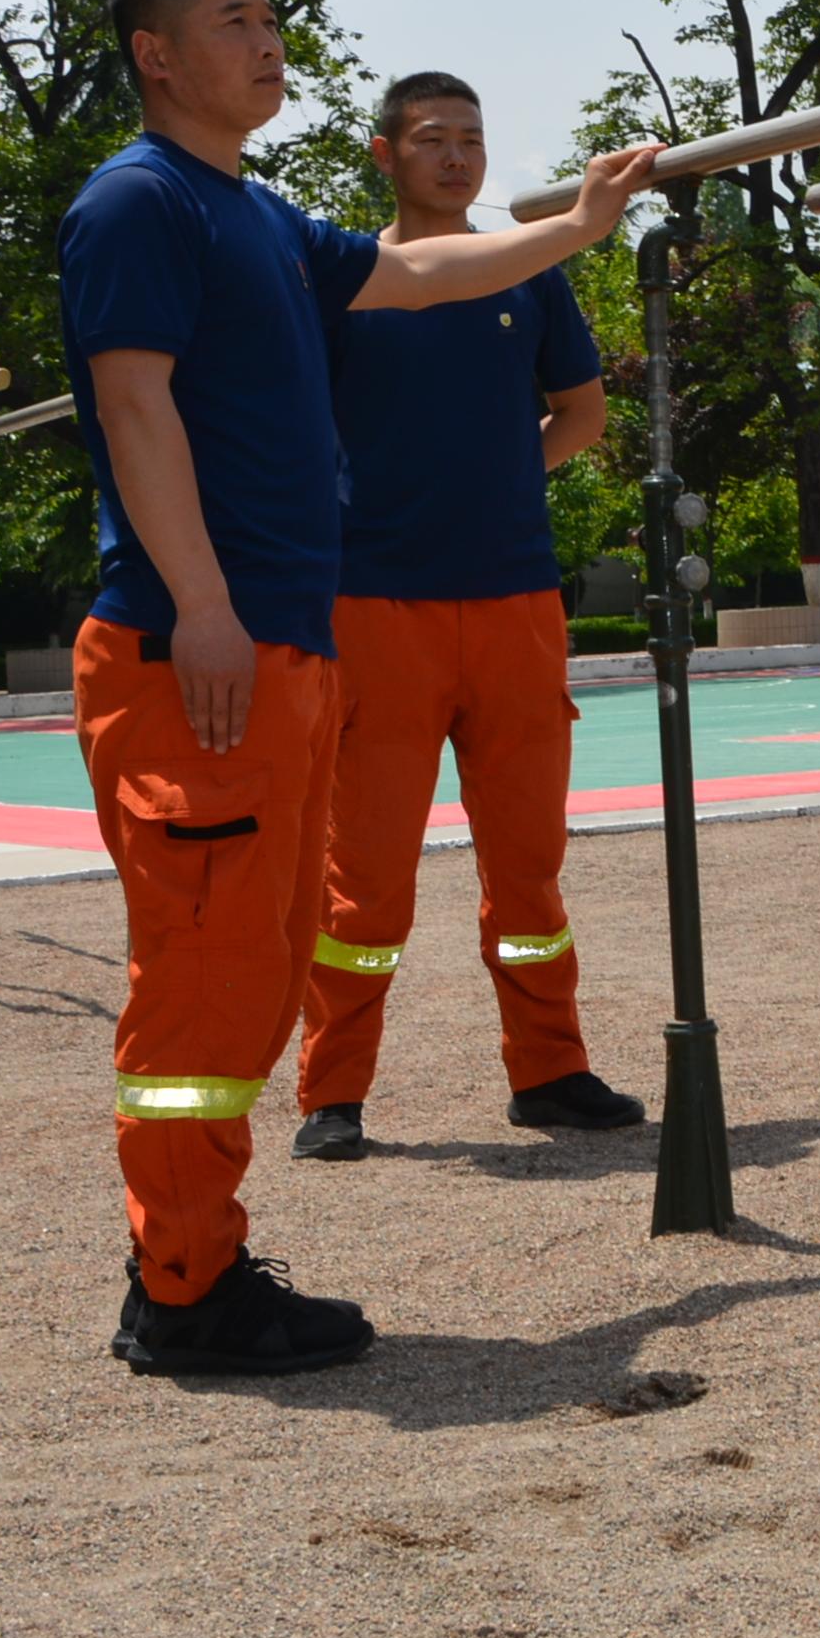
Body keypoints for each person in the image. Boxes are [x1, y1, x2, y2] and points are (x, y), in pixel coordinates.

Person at [61, 0, 653, 1377]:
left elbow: (424, 274)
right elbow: (134, 408)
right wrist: (202, 603)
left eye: (269, 14)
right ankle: (185, 1291)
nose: (267, 38)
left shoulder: (255, 213)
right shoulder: (141, 201)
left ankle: (196, 1263)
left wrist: (579, 225)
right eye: (231, 19)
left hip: (284, 645)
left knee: (255, 967)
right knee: (205, 979)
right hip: (201, 646)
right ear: (156, 54)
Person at [291, 73, 642, 1167]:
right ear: (384, 154)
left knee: (529, 866)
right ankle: (332, 1092)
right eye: (433, 139)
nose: (457, 158)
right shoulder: (343, 281)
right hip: (374, 607)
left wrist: (502, 483)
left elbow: (581, 414)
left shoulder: (531, 272)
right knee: (363, 879)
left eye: (472, 140)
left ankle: (549, 1071)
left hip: (514, 602)